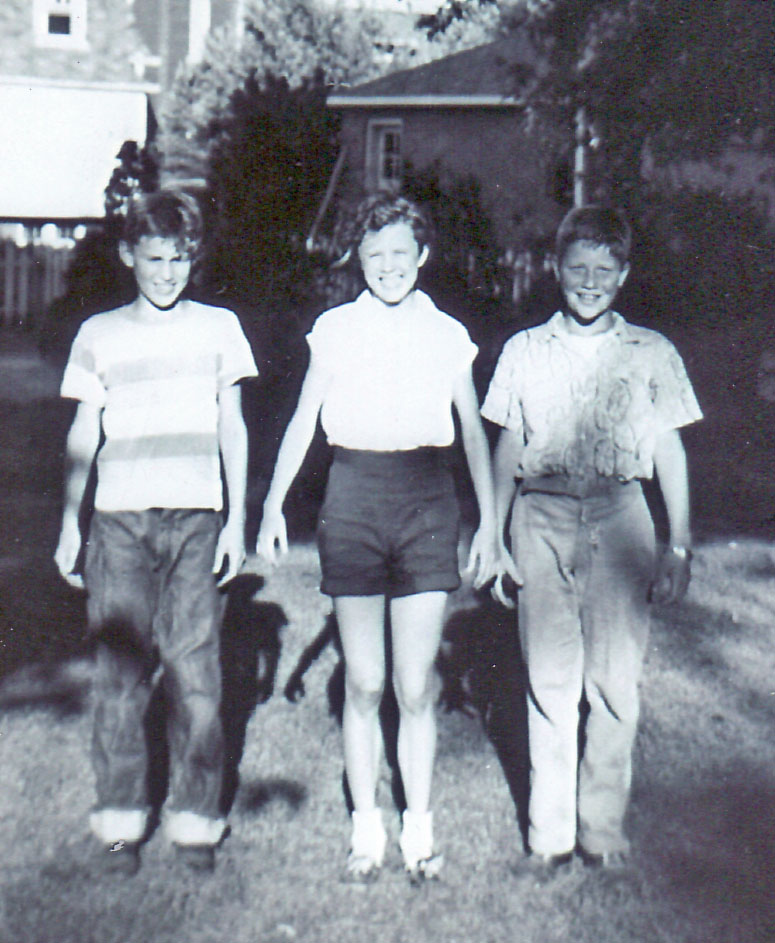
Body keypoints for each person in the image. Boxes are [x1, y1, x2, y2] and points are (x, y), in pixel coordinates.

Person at [256, 193, 506, 882]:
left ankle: (417, 828)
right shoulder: (334, 329)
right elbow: (304, 419)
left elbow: (474, 431)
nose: (388, 267)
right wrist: (272, 504)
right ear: (355, 261)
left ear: (422, 255)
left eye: (400, 254)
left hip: (426, 500)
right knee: (363, 682)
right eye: (374, 256)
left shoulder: (446, 333)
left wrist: (488, 519)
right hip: (354, 498)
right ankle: (366, 828)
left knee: (415, 683)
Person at [482, 205, 702, 871]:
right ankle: (547, 833)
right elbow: (507, 443)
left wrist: (679, 542)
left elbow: (667, 447)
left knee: (613, 682)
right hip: (540, 514)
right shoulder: (524, 350)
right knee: (549, 678)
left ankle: (601, 828)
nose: (588, 282)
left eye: (603, 271)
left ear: (624, 274)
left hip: (620, 515)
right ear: (555, 268)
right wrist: (492, 536)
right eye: (576, 268)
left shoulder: (652, 352)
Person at [54, 189, 257, 875]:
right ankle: (119, 820)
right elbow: (84, 433)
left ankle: (196, 819)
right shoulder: (99, 334)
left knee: (196, 672)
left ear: (192, 259)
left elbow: (233, 424)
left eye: (179, 259)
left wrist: (237, 519)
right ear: (127, 256)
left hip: (197, 518)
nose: (167, 273)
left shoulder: (220, 329)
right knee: (120, 675)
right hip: (119, 523)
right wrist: (68, 524)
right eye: (153, 258)